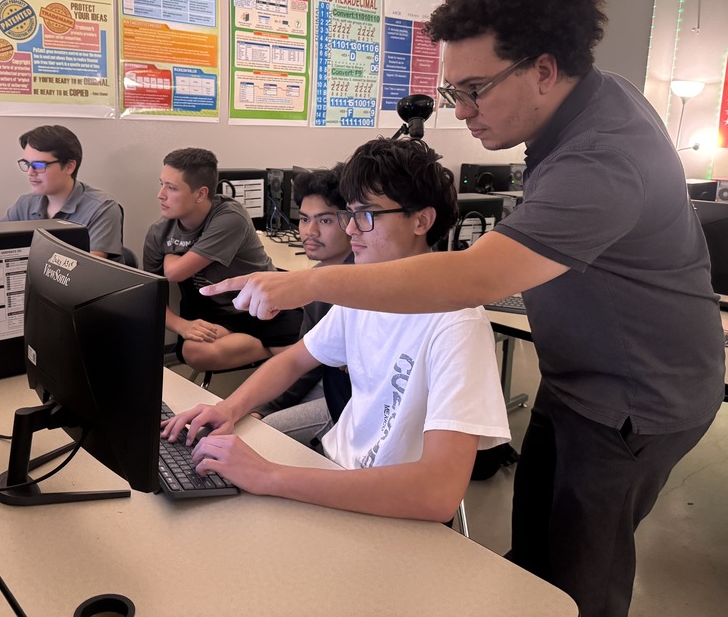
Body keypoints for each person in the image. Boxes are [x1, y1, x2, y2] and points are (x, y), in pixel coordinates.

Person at [202, 0, 725, 617]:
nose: (463, 111)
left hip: (637, 396)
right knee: (534, 553)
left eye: (474, 90)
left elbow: (473, 277)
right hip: (578, 377)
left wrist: (307, 286)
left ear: (543, 68)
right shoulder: (582, 102)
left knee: (579, 581)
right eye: (454, 91)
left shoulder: (603, 155)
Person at [163, 138, 511, 521]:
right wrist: (227, 409)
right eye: (349, 214)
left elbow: (436, 493)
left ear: (421, 220)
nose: (351, 229)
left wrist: (270, 475)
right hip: (334, 472)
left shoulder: (456, 322)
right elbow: (294, 360)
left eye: (366, 215)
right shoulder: (364, 293)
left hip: (387, 508)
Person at [143, 148, 302, 373]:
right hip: (218, 314)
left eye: (172, 188)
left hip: (264, 306)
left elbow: (175, 273)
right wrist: (183, 326)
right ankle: (270, 349)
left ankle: (274, 347)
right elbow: (152, 299)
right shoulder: (158, 233)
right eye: (162, 184)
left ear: (200, 194)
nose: (161, 194)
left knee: (300, 374)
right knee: (193, 351)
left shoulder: (229, 217)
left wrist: (170, 258)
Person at [254, 166, 353, 445]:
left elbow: (307, 367)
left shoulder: (358, 281)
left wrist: (267, 411)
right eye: (304, 219)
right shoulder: (317, 278)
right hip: (323, 378)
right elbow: (303, 361)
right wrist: (262, 408)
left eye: (324, 221)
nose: (309, 232)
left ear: (351, 221)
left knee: (266, 433)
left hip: (353, 394)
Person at [3, 125, 123, 260]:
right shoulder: (24, 204)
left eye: (39, 165)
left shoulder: (101, 208)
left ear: (69, 166)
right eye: (27, 164)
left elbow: (88, 269)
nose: (30, 172)